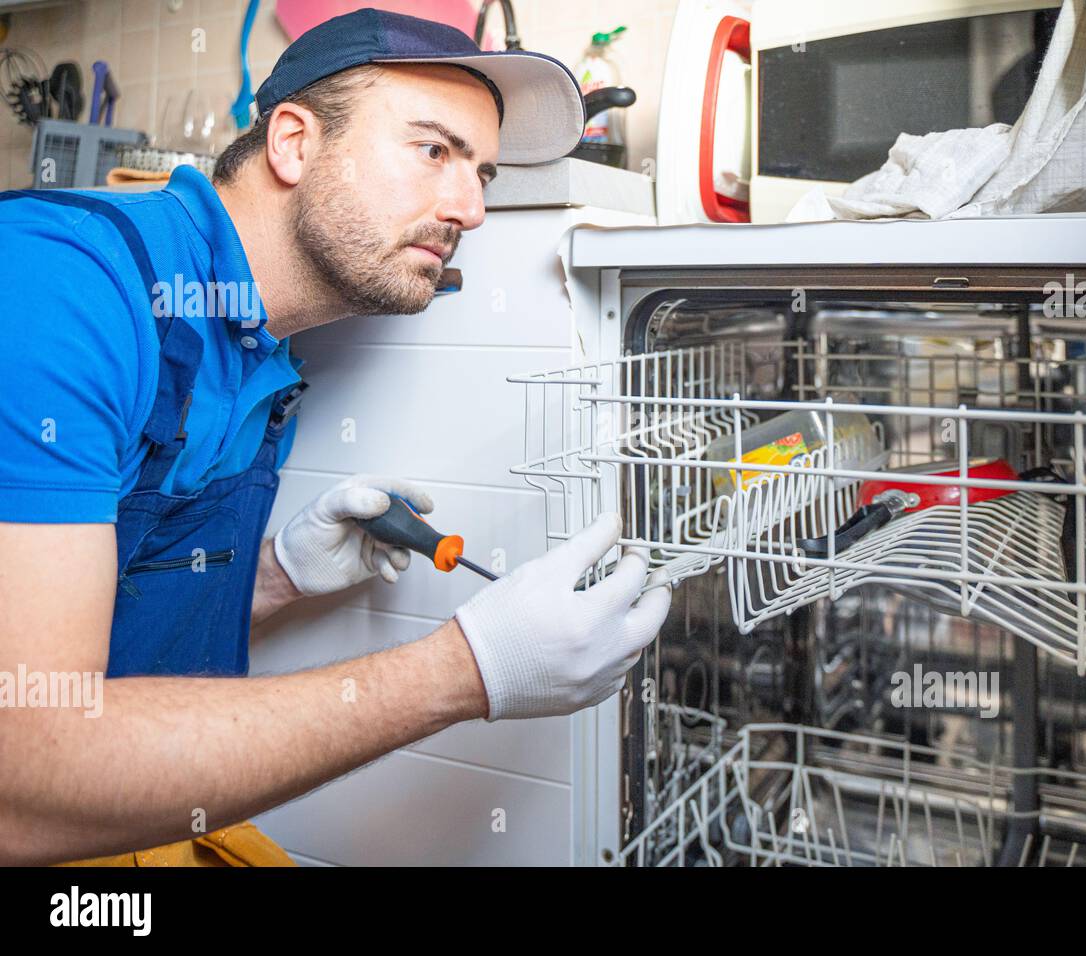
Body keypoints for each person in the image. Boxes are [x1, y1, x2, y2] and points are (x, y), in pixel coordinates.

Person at [0, 8, 670, 867]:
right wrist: (468, 671)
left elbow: (94, 641)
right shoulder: (65, 290)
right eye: (434, 150)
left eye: (484, 174)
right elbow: (23, 776)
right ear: (292, 142)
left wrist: (275, 577)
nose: (471, 207)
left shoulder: (259, 347)